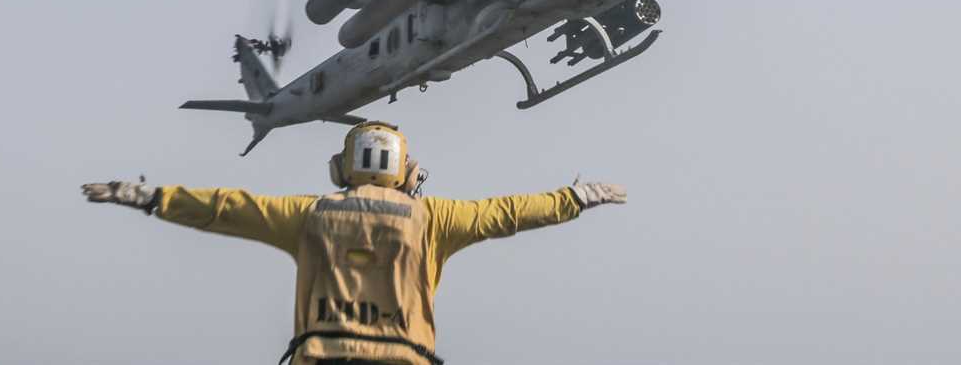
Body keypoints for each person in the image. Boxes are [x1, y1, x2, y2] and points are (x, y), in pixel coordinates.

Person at [82, 120, 626, 365]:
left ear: (341, 168)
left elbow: (227, 208)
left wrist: (148, 197)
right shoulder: (431, 217)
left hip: (320, 358)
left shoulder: (309, 215)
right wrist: (577, 196)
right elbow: (509, 214)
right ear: (406, 173)